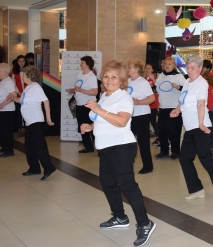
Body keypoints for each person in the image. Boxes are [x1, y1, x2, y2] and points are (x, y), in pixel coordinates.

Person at [80, 60, 156, 246]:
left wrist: (98, 110)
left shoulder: (124, 97)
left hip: (121, 146)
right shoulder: (105, 96)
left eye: (114, 76)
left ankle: (145, 223)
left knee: (127, 185)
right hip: (105, 147)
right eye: (106, 76)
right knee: (107, 182)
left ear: (122, 79)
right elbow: (104, 119)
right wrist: (90, 125)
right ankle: (120, 217)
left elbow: (122, 121)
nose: (109, 79)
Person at [170, 56, 213, 211]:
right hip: (190, 127)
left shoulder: (202, 83)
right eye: (188, 67)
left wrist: (200, 124)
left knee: (207, 160)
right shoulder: (187, 82)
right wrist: (178, 109)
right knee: (185, 158)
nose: (190, 70)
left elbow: (201, 104)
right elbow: (183, 99)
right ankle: (197, 190)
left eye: (193, 67)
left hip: (200, 127)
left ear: (200, 69)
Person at [7, 65, 56, 180]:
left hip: (35, 120)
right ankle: (34, 168)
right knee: (29, 147)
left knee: (39, 145)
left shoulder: (35, 87)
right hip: (29, 122)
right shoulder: (28, 88)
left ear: (29, 76)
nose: (22, 77)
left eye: (23, 75)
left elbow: (46, 101)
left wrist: (48, 118)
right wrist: (13, 99)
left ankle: (48, 167)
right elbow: (23, 101)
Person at [127, 59, 155, 174]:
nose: (128, 69)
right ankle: (128, 162)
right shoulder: (127, 81)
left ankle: (148, 166)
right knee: (128, 140)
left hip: (142, 115)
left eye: (130, 67)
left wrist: (138, 102)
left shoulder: (143, 82)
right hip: (130, 115)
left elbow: (152, 98)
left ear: (137, 70)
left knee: (142, 141)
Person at [155, 57, 185, 160]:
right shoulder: (161, 76)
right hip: (163, 107)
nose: (167, 66)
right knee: (161, 130)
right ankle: (164, 151)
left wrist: (178, 87)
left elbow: (187, 90)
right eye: (166, 64)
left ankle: (176, 152)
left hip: (174, 108)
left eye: (170, 64)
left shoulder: (179, 76)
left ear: (174, 66)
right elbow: (156, 88)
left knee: (174, 131)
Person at [67, 56, 98, 153]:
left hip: (89, 106)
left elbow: (95, 92)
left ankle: (99, 149)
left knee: (92, 128)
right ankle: (88, 147)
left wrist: (81, 90)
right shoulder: (80, 74)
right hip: (80, 105)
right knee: (82, 126)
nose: (80, 64)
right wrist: (73, 90)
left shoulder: (91, 76)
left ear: (88, 64)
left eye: (82, 63)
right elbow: (78, 88)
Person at [201, 60, 213, 153]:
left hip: (209, 106)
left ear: (208, 69)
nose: (202, 69)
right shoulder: (199, 76)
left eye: (204, 67)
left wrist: (206, 75)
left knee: (209, 126)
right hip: (201, 106)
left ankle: (211, 146)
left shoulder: (211, 76)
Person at [11, 55, 29, 137]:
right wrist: (19, 93)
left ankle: (27, 128)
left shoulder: (28, 71)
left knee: (27, 111)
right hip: (19, 95)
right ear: (17, 62)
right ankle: (20, 129)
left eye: (23, 61)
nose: (21, 63)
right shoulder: (14, 72)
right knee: (19, 113)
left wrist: (26, 92)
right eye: (20, 61)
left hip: (28, 94)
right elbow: (13, 84)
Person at [145, 63, 159, 145]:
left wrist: (153, 80)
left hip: (153, 103)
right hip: (146, 104)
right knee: (148, 121)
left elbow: (157, 90)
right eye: (146, 68)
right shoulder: (144, 79)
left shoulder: (155, 78)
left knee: (153, 121)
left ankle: (158, 137)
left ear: (152, 70)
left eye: (149, 68)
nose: (147, 70)